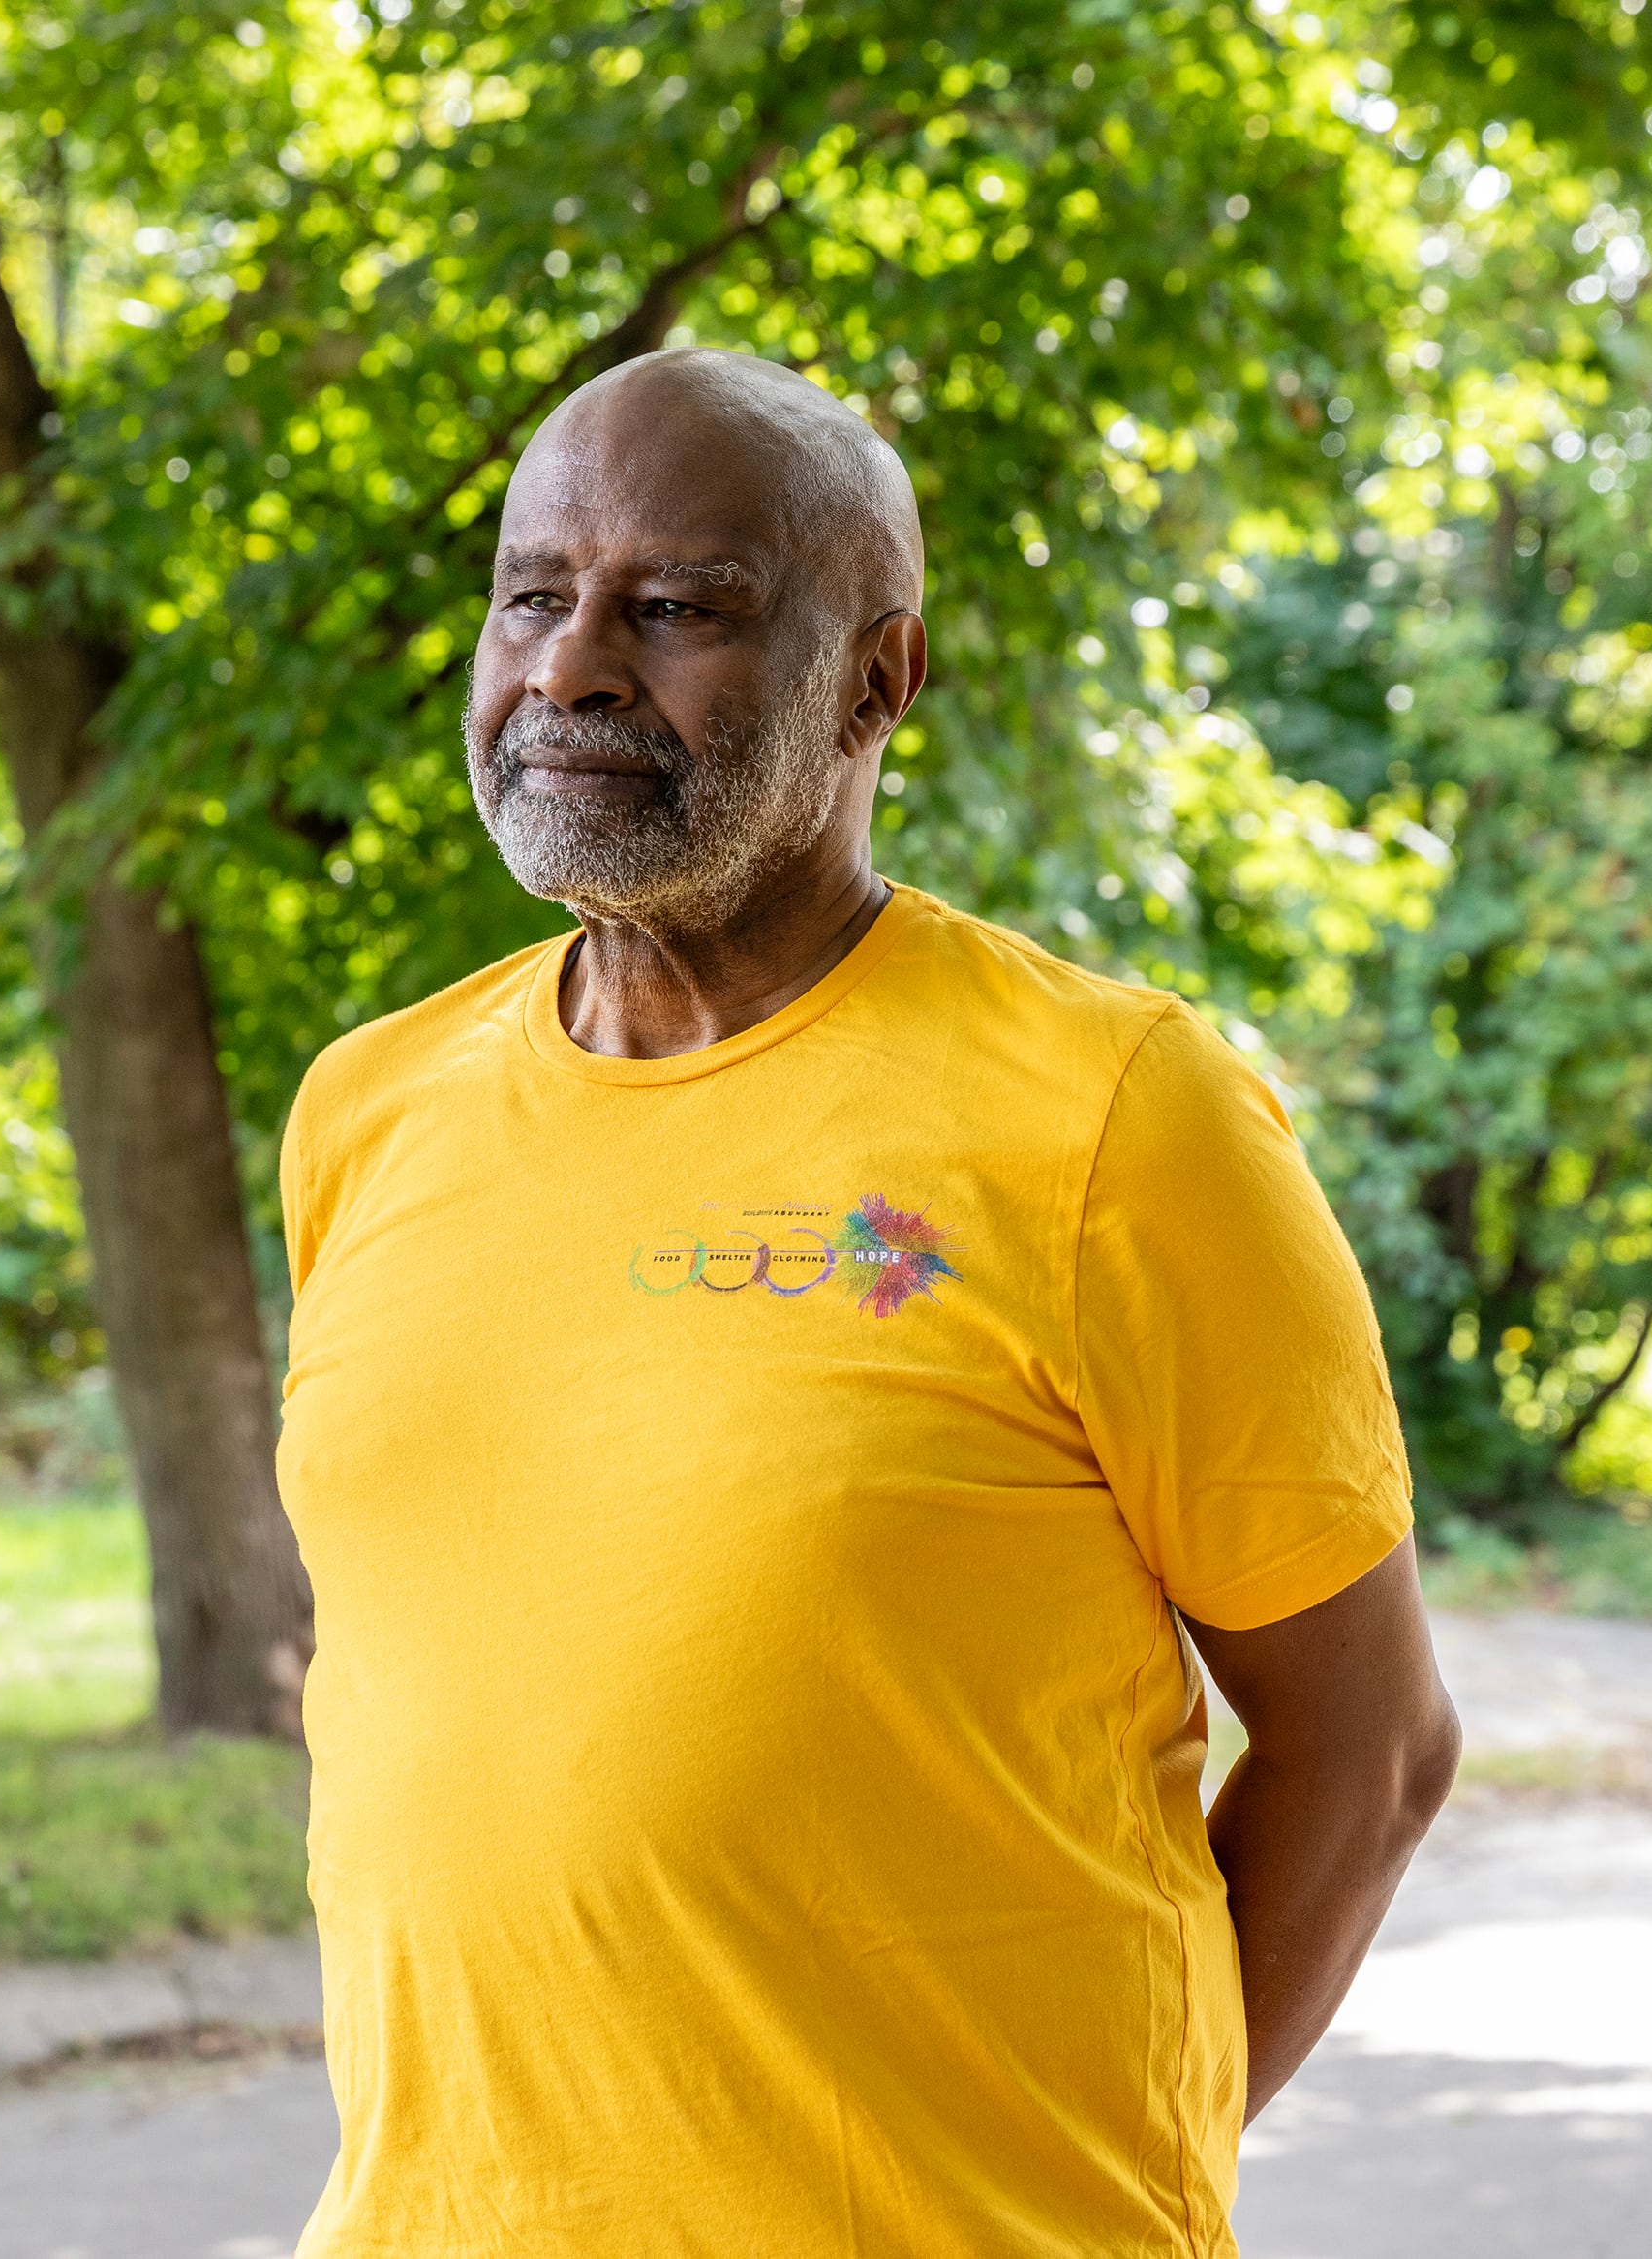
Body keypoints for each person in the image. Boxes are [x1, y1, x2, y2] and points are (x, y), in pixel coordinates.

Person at [275, 347, 1462, 2256]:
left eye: (676, 609)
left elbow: (1370, 1748)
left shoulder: (1114, 1116)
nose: (573, 665)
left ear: (876, 679)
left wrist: (1088, 2175)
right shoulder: (369, 1112)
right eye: (532, 592)